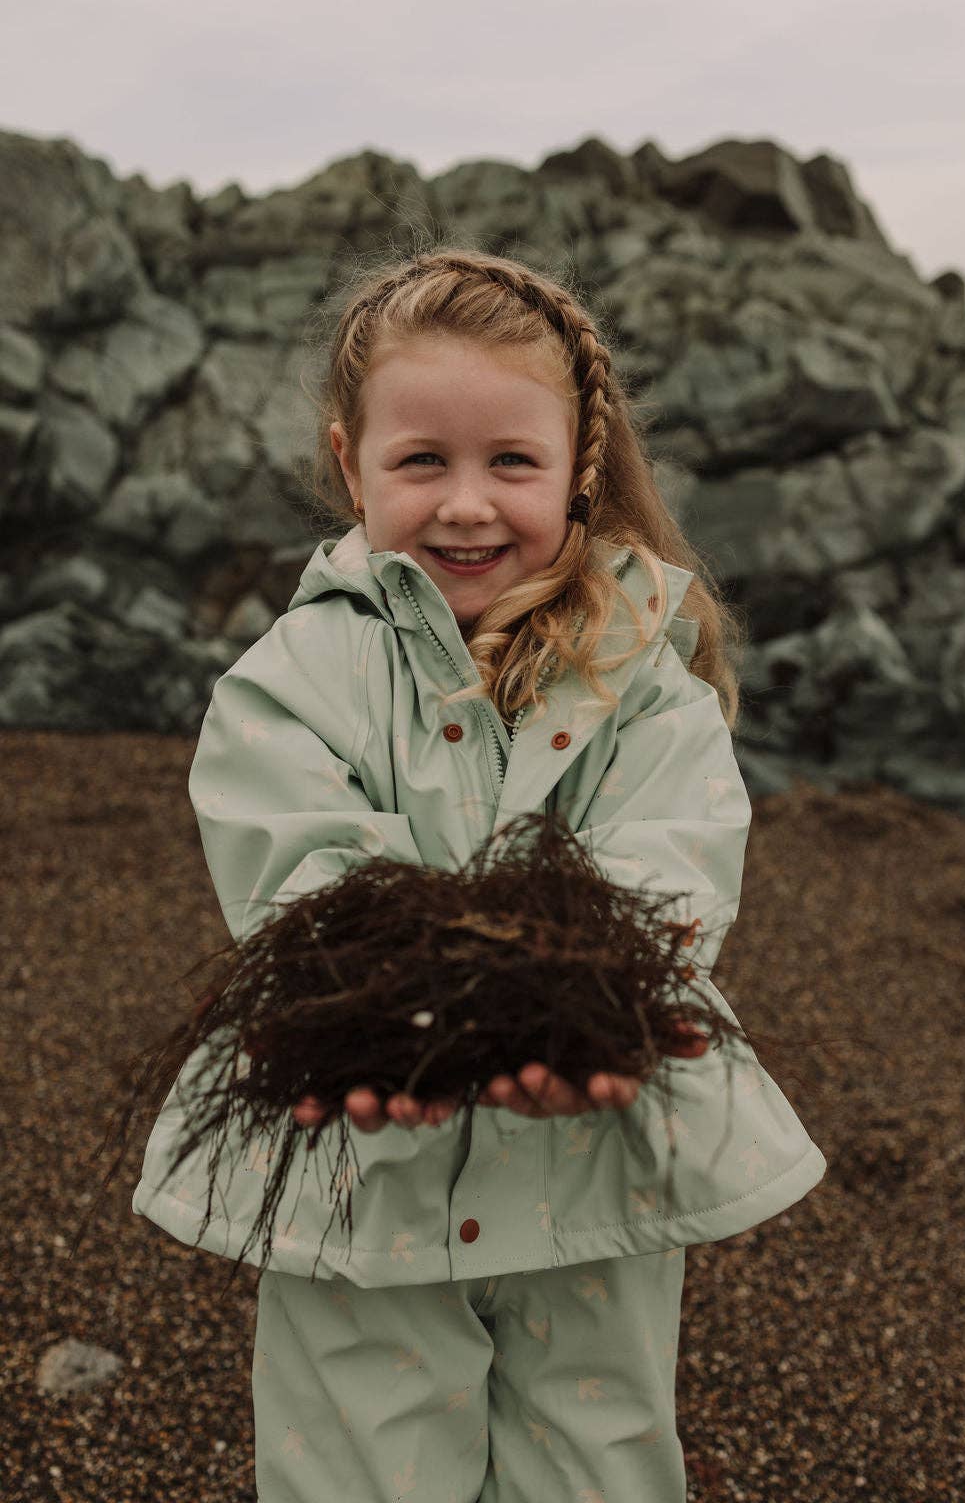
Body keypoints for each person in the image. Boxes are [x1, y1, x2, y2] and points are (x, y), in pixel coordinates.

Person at [132, 245, 827, 1502]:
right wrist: (409, 1014)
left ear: (579, 472)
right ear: (351, 466)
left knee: (596, 1461)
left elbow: (665, 871)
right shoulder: (286, 687)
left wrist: (578, 994)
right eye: (421, 462)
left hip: (591, 1142)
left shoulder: (645, 685)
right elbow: (304, 886)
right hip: (363, 1155)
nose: (466, 505)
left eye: (512, 462)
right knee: (364, 1463)